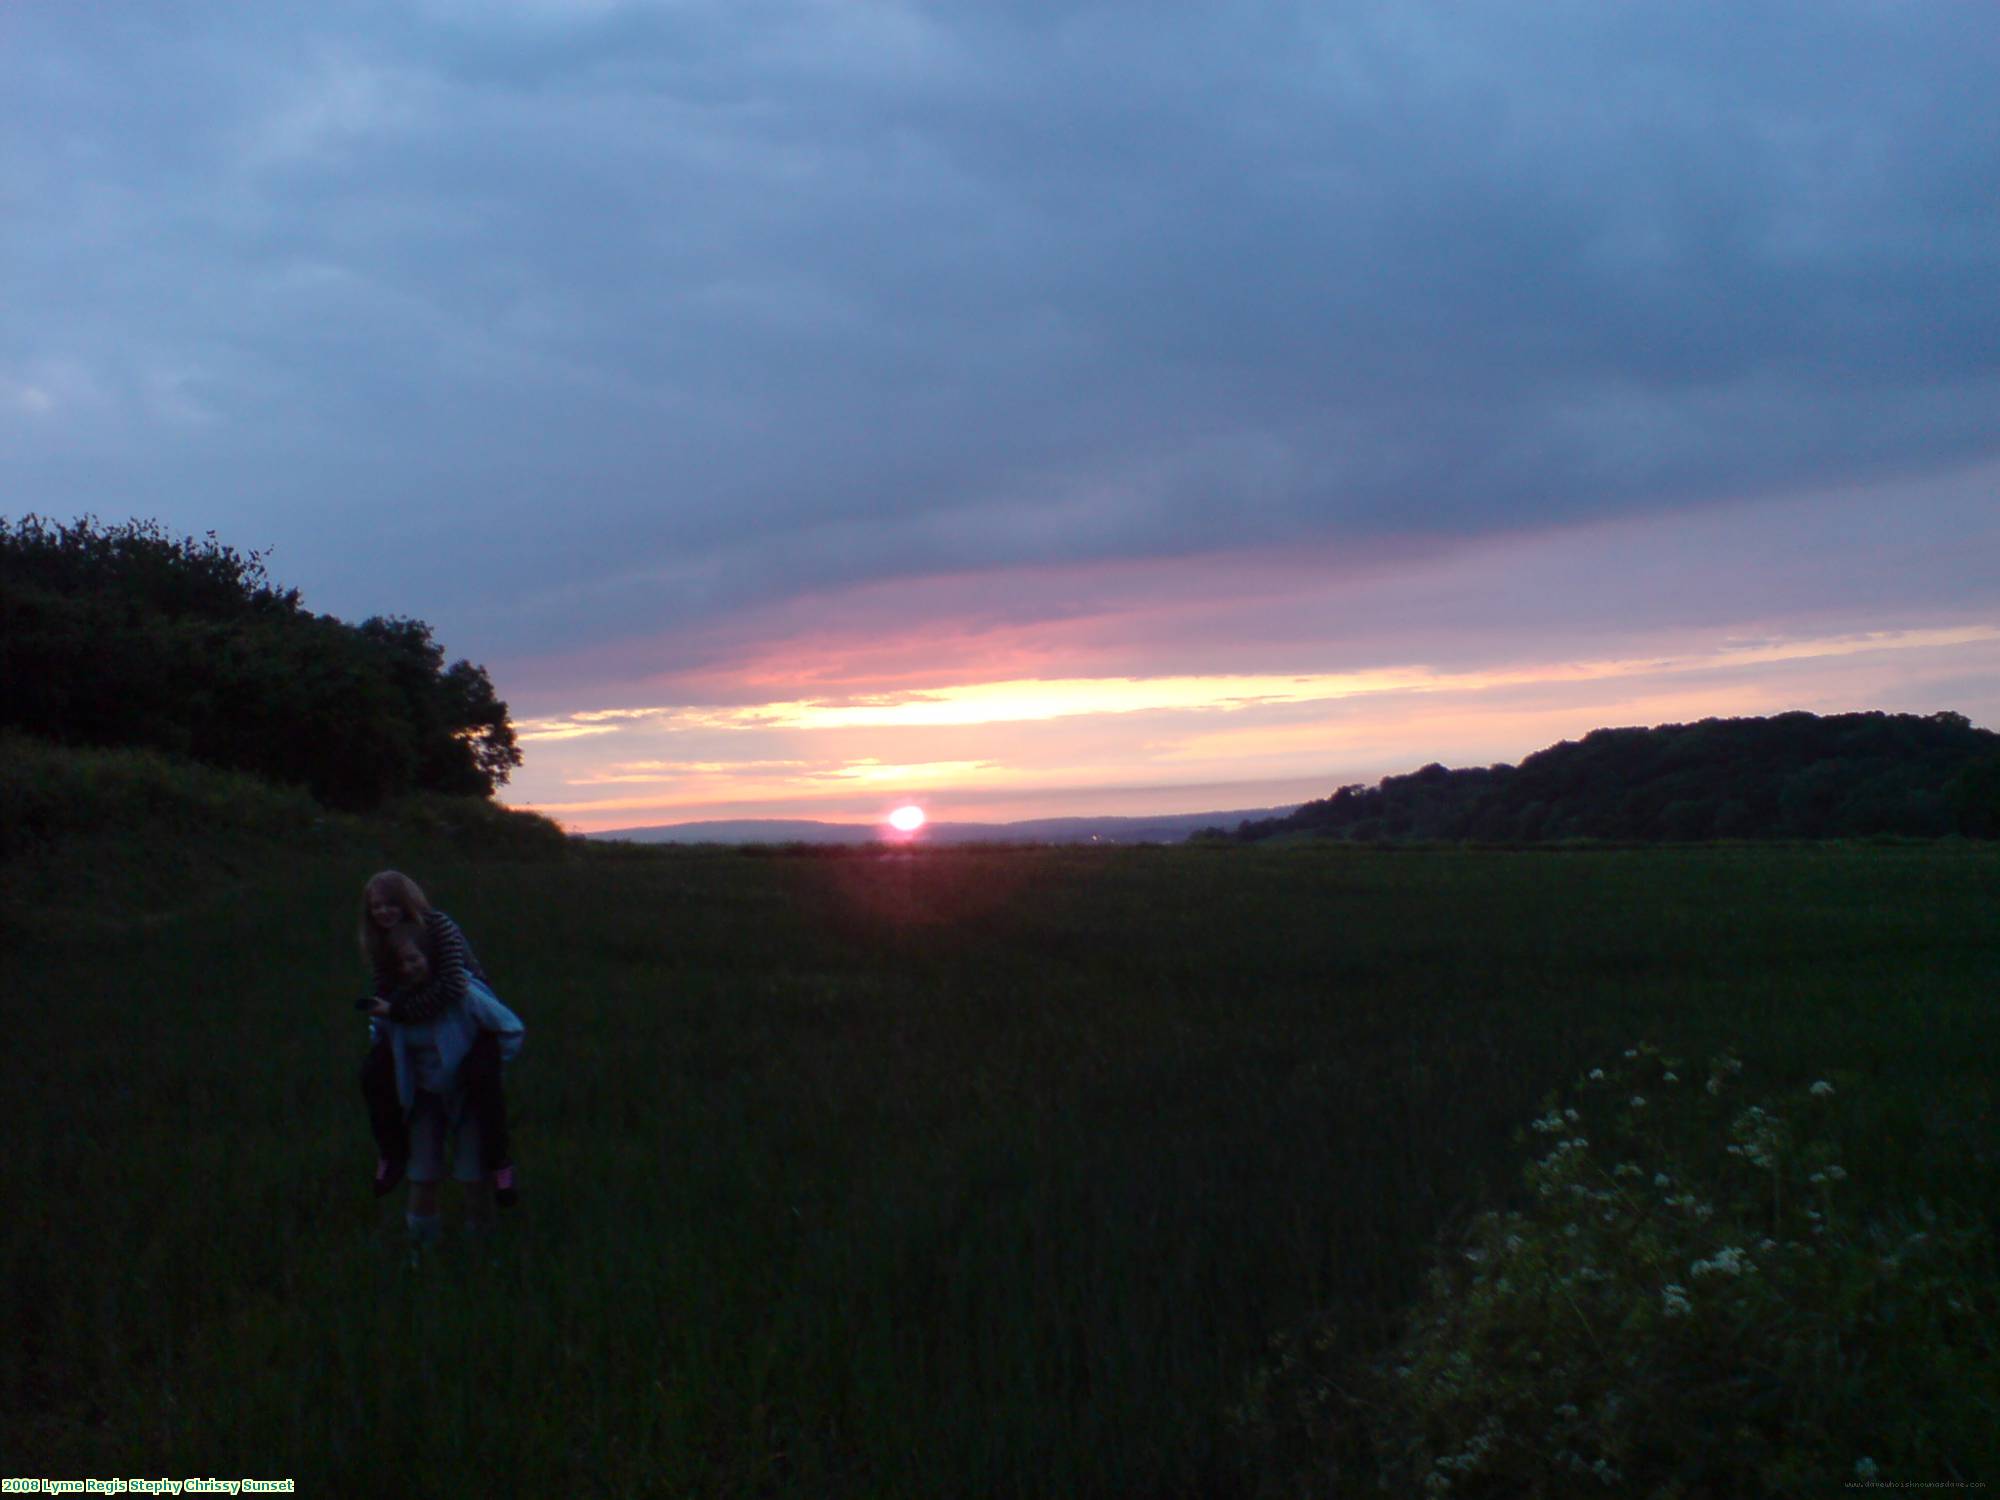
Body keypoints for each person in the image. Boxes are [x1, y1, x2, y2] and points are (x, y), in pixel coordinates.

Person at [357, 871, 524, 1248]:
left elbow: (453, 984)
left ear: (407, 902)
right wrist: (389, 1015)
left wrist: (401, 1011)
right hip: (423, 1088)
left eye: (390, 903)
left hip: (463, 1022)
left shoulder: (438, 927)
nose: (383, 911)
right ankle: (419, 1244)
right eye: (376, 906)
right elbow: (383, 999)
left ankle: (492, 1204)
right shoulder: (382, 946)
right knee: (377, 1080)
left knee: (474, 1163)